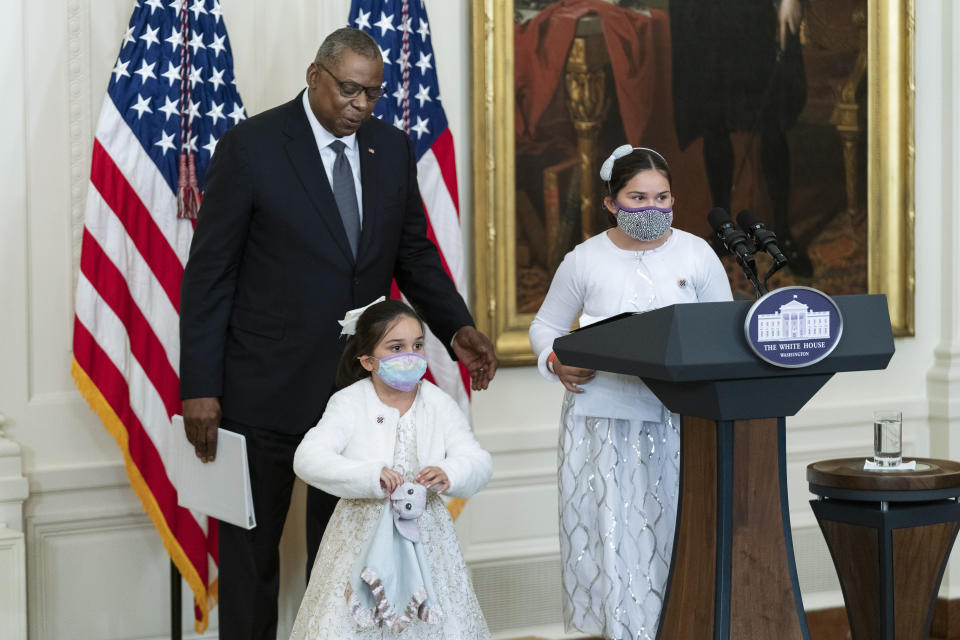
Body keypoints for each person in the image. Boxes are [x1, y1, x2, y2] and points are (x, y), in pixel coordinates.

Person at [178, 28, 497, 640]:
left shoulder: (391, 149)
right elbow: (209, 276)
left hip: (356, 395)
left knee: (351, 558)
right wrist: (200, 387)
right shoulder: (252, 146)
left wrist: (456, 326)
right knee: (252, 558)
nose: (360, 105)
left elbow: (413, 252)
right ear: (314, 76)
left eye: (373, 94)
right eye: (349, 89)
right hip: (261, 390)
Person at [529, 146, 733, 640]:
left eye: (662, 197)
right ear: (611, 203)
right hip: (604, 424)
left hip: (683, 420)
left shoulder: (695, 253)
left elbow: (724, 329)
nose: (652, 208)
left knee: (677, 534)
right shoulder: (585, 260)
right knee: (620, 536)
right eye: (637, 197)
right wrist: (554, 360)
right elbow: (546, 326)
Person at [289, 299, 492, 639]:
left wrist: (449, 471)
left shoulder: (437, 402)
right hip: (360, 537)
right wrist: (370, 475)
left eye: (417, 345)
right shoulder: (349, 402)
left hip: (427, 538)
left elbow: (478, 460)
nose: (410, 355)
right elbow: (307, 458)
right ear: (368, 360)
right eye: (396, 347)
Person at [670, 0, 813, 276]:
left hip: (754, 11)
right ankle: (722, 232)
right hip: (703, 16)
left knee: (772, 119)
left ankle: (782, 232)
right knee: (714, 120)